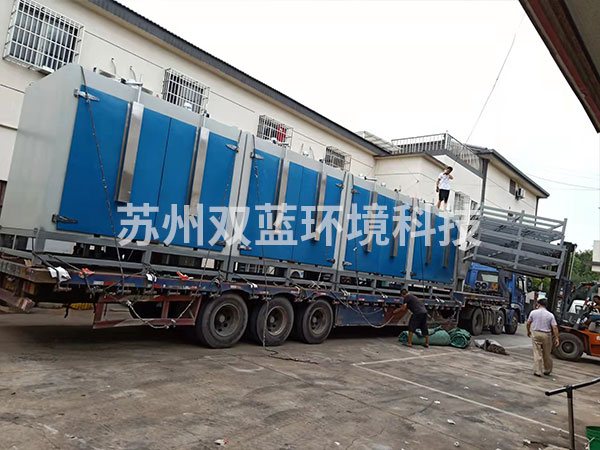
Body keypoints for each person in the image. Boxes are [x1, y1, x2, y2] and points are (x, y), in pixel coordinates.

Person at [526, 298, 559, 377]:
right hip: (546, 335)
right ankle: (547, 370)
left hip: (536, 333)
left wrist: (528, 331)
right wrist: (557, 338)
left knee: (537, 352)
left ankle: (538, 371)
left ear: (539, 304)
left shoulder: (533, 312)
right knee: (547, 353)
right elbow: (554, 327)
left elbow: (528, 323)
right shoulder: (550, 315)